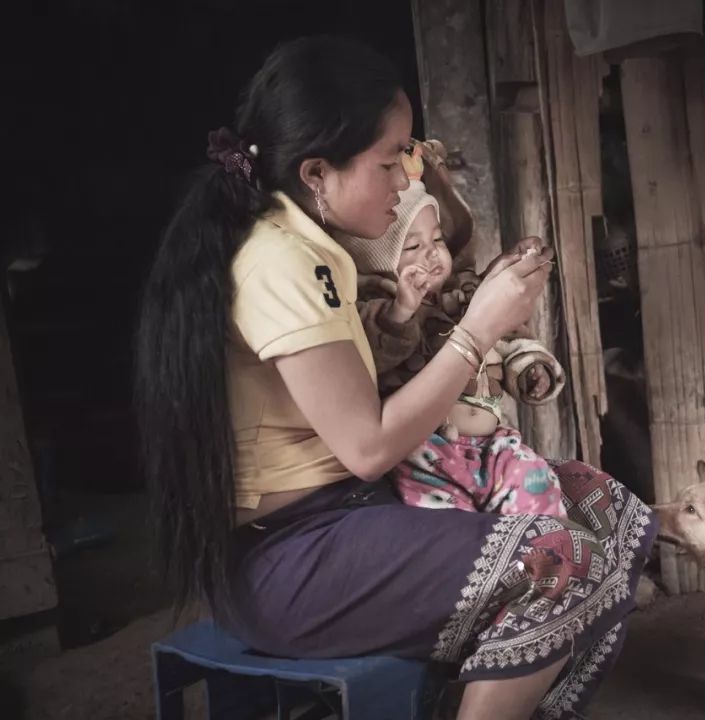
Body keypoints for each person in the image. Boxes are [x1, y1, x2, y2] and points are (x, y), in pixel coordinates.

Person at [134, 35, 656, 720]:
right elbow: (369, 445)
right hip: (294, 561)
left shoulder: (317, 249)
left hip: (356, 516)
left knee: (607, 514)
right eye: (389, 162)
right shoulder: (282, 263)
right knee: (564, 561)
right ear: (318, 173)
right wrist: (477, 332)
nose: (407, 180)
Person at [339, 142, 567, 517]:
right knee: (452, 535)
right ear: (381, 265)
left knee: (539, 493)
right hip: (424, 456)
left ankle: (539, 564)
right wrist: (401, 311)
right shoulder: (377, 313)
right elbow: (369, 361)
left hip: (495, 446)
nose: (432, 254)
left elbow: (506, 337)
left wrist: (530, 368)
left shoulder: (466, 296)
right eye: (412, 246)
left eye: (438, 240)